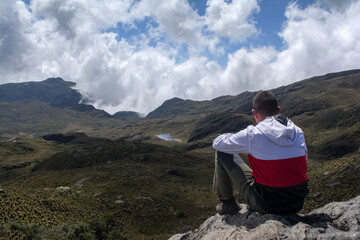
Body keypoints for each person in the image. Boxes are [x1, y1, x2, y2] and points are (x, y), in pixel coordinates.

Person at [212, 90, 308, 215]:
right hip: (297, 204)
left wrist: (233, 136)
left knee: (222, 153)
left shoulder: (253, 135)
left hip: (267, 206)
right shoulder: (297, 131)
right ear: (278, 110)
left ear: (254, 113)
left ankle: (228, 204)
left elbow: (217, 143)